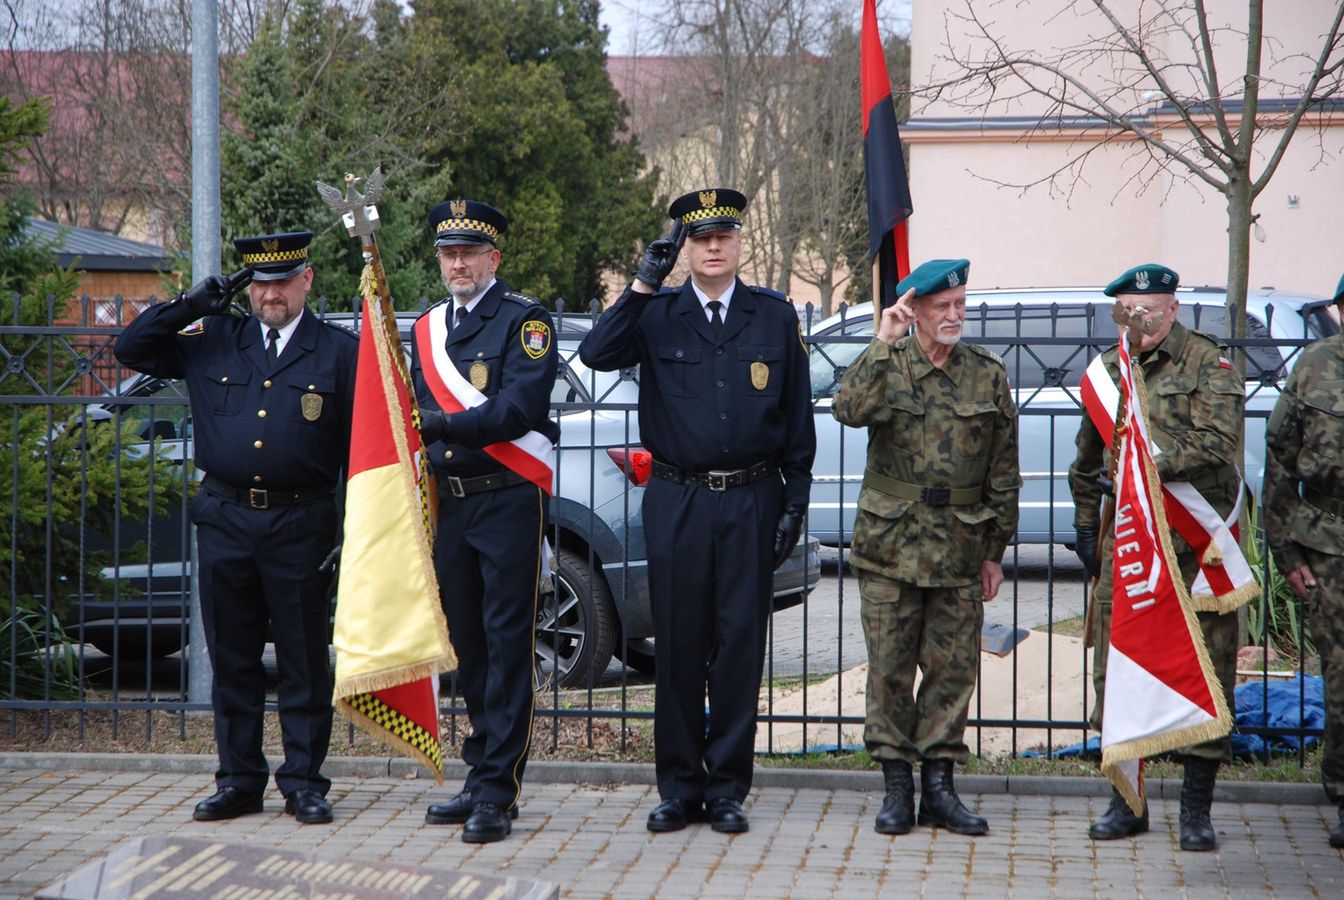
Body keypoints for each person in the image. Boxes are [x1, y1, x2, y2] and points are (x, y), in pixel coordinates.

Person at [579, 188, 815, 834]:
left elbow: (796, 417)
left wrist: (795, 501)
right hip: (678, 498)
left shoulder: (772, 317)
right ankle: (680, 787)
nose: (713, 248)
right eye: (700, 238)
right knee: (679, 642)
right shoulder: (657, 314)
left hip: (752, 498)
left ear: (739, 242)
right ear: (685, 248)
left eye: (723, 236)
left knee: (739, 644)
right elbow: (596, 353)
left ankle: (728, 788)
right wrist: (640, 285)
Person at [115, 231, 357, 825]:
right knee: (234, 657)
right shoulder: (212, 337)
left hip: (300, 520)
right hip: (224, 519)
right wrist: (193, 302)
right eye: (260, 284)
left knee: (303, 658)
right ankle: (239, 778)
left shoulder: (339, 352)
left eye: (282, 281)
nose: (270, 294)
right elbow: (131, 348)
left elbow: (362, 445)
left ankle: (303, 781)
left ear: (306, 280)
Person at [832, 258, 1019, 837]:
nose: (956, 315)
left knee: (952, 670)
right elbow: (848, 410)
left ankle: (939, 788)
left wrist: (996, 551)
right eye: (943, 307)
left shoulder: (985, 373)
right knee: (889, 670)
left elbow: (1004, 470)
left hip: (960, 546)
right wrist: (881, 341)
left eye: (961, 304)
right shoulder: (888, 364)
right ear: (913, 311)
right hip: (891, 546)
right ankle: (895, 788)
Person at [1070, 263, 1243, 851]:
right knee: (1120, 669)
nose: (1132, 319)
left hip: (1196, 547)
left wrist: (1147, 463)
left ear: (1170, 308)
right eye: (1124, 310)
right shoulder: (1110, 370)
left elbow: (1218, 443)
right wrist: (1084, 524)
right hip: (1132, 548)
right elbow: (1087, 459)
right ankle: (1127, 803)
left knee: (1207, 667)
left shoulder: (1207, 363)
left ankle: (1196, 810)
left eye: (1143, 309)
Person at [412, 199, 559, 844]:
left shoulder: (525, 322)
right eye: (449, 254)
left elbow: (518, 410)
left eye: (470, 252)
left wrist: (445, 425)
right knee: (468, 646)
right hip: (454, 502)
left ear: (493, 258)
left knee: (506, 646)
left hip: (507, 499)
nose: (458, 263)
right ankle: (479, 772)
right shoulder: (425, 329)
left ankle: (500, 790)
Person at [1262, 273, 1344, 849]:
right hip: (1331, 543)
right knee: (1341, 676)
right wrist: (1286, 549)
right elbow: (1280, 459)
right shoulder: (1315, 365)